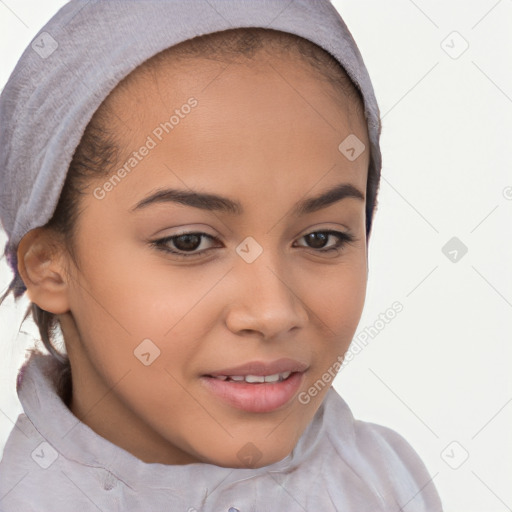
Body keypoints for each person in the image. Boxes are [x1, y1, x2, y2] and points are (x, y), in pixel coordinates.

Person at [0, 1, 443, 510]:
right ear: (49, 266)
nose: (273, 311)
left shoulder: (388, 481)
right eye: (189, 241)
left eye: (320, 238)